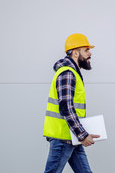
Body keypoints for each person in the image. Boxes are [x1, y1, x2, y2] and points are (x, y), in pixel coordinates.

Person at [43, 33, 100, 173]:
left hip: (71, 136)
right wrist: (83, 135)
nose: (90, 53)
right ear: (75, 53)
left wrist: (80, 135)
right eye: (86, 50)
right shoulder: (68, 73)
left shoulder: (72, 73)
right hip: (64, 138)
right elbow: (66, 108)